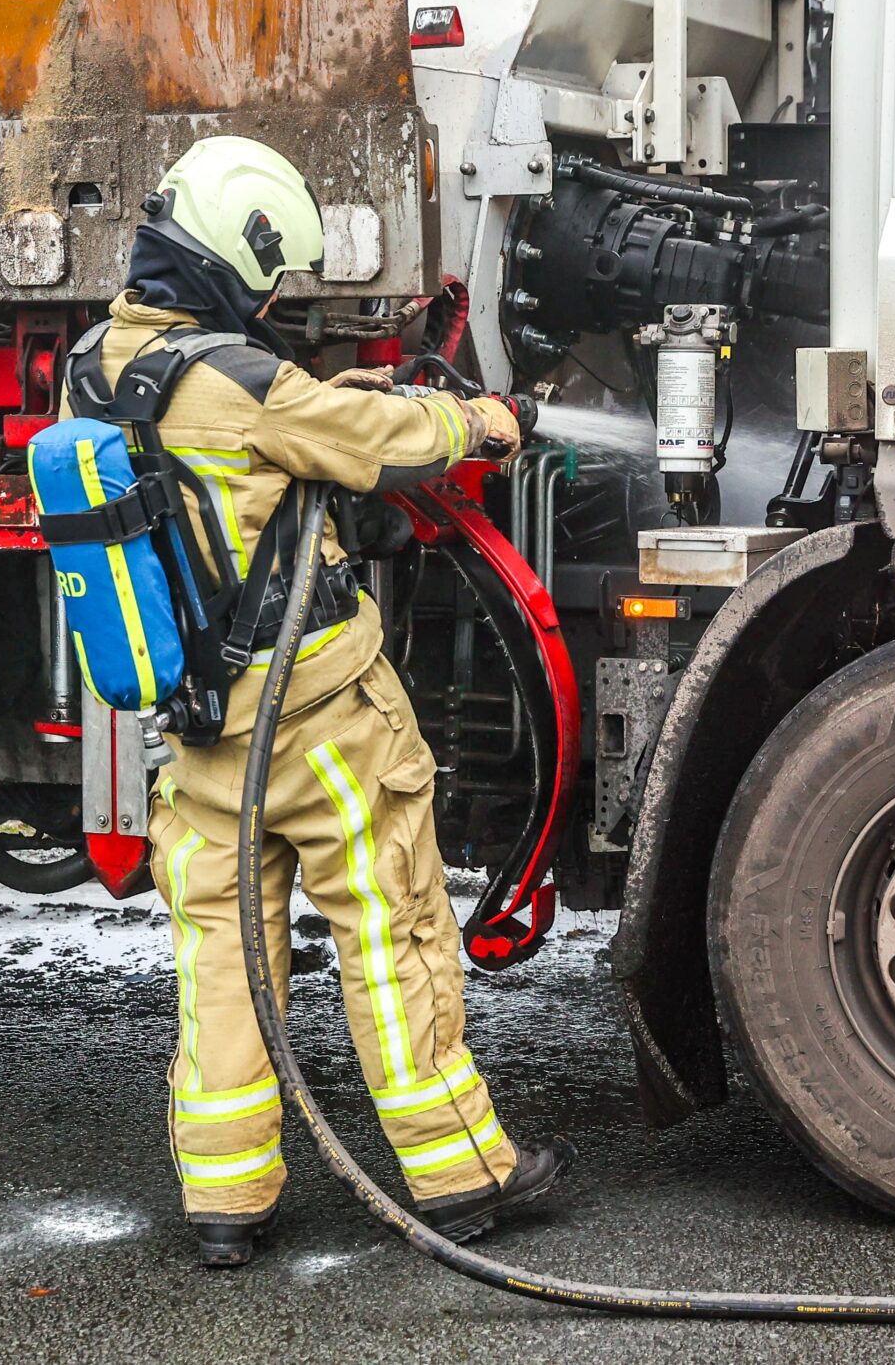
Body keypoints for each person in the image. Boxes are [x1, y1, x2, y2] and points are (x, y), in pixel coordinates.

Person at [65, 135, 571, 1267]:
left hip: (200, 734)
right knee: (390, 927)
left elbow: (243, 439)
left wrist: (315, 401)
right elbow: (388, 442)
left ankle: (226, 1201)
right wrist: (487, 424)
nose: (269, 302)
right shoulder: (242, 382)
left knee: (222, 953)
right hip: (319, 718)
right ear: (236, 257)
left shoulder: (94, 363)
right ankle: (458, 1172)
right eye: (266, 281)